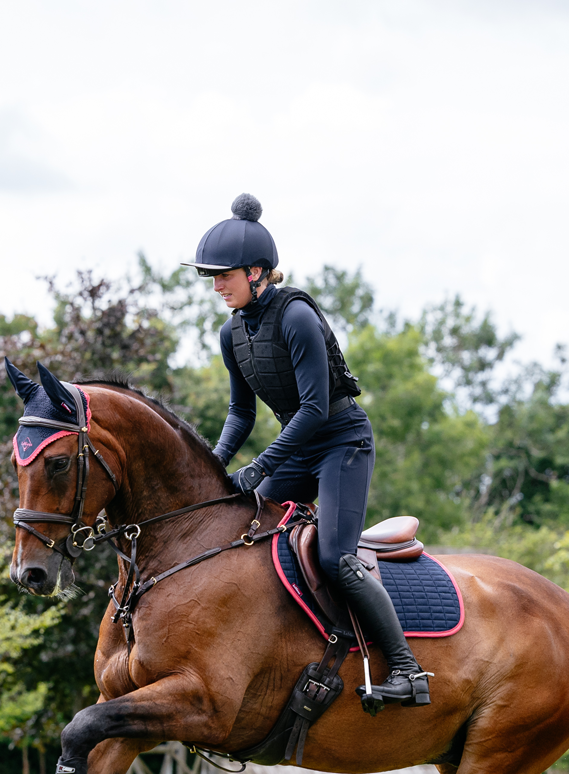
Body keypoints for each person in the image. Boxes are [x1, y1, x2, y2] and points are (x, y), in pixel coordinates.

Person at [181, 193, 431, 708]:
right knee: (244, 529)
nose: (215, 285)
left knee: (336, 557)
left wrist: (260, 466)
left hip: (341, 442)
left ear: (257, 272)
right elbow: (240, 413)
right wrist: (211, 468)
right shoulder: (232, 334)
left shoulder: (295, 316)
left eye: (223, 275)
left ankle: (408, 671)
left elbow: (316, 409)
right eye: (211, 276)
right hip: (296, 449)